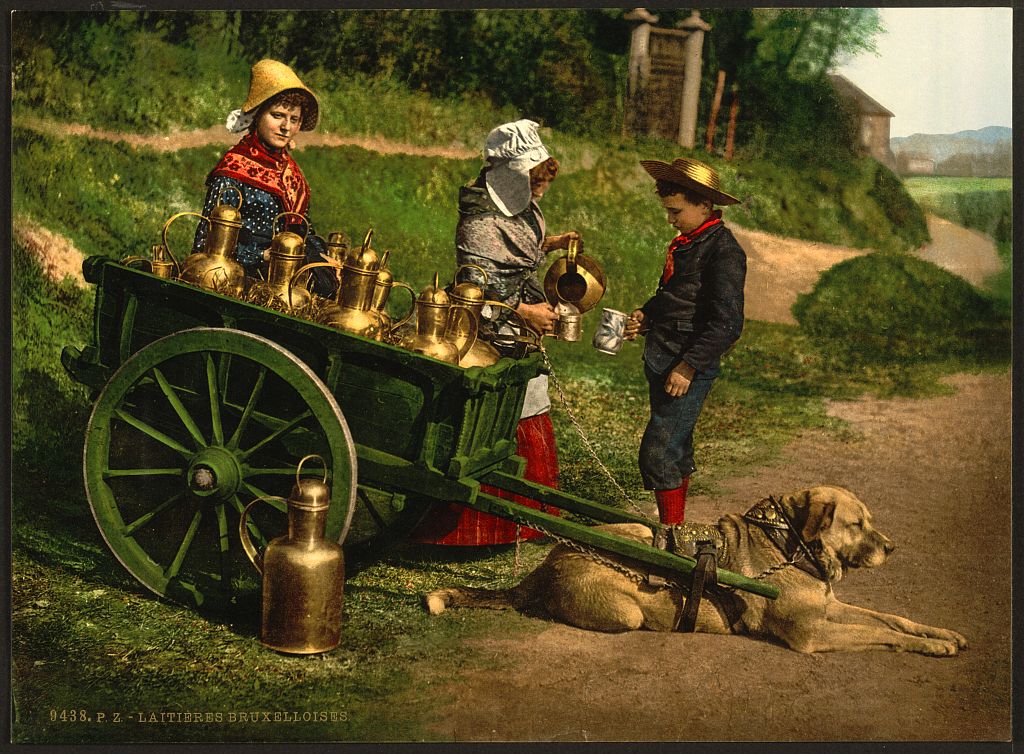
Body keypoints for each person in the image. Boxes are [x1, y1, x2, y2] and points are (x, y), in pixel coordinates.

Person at [411, 119, 578, 546]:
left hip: (517, 322)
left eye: (541, 178)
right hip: (485, 327)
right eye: (531, 177)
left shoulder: (516, 203)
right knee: (493, 409)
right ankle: (473, 533)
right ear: (506, 172)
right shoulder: (480, 221)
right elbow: (479, 289)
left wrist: (551, 243)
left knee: (529, 399)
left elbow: (517, 252)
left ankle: (528, 522)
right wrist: (525, 313)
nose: (538, 187)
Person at [624, 157, 745, 525]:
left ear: (705, 205)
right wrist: (647, 316)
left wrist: (688, 366)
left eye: (676, 211)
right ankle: (674, 528)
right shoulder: (689, 242)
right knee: (676, 448)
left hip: (685, 369)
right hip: (663, 359)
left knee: (658, 453)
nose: (670, 219)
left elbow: (727, 324)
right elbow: (676, 295)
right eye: (667, 211)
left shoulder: (724, 252)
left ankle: (670, 535)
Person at [192, 58, 336, 296]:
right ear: (257, 115)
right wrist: (261, 256)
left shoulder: (293, 176)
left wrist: (322, 259)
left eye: (294, 120)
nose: (286, 127)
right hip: (235, 283)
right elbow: (207, 242)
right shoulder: (233, 170)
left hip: (285, 285)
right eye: (277, 115)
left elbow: (304, 229)